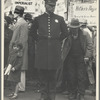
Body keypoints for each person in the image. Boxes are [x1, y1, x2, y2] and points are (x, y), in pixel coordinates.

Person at [30, 0, 68, 99]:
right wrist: (40, 40)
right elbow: (32, 32)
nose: (53, 7)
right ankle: (43, 95)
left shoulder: (59, 19)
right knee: (42, 74)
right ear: (46, 5)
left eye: (54, 6)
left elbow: (65, 33)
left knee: (53, 75)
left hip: (54, 51)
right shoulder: (38, 19)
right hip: (42, 51)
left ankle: (52, 95)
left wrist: (57, 40)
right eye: (50, 5)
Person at [61, 18, 93, 100]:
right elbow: (63, 46)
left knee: (81, 77)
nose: (73, 30)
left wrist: (87, 56)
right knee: (71, 76)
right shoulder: (67, 35)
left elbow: (90, 46)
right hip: (70, 59)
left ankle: (81, 94)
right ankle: (72, 93)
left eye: (75, 28)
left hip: (81, 59)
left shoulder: (85, 34)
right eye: (72, 28)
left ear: (78, 27)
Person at [9, 6, 28, 92]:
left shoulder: (22, 23)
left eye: (15, 13)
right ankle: (18, 87)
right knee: (17, 67)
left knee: (20, 67)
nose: (14, 14)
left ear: (18, 14)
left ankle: (21, 87)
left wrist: (19, 50)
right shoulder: (21, 22)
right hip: (17, 48)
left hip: (18, 48)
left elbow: (23, 38)